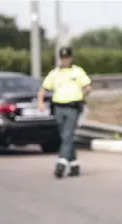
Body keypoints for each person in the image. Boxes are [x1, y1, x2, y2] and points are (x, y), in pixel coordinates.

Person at [37, 46, 92, 178]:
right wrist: (40, 102)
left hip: (73, 107)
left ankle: (60, 164)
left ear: (71, 58)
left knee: (67, 135)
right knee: (65, 137)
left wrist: (82, 95)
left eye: (67, 58)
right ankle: (74, 165)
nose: (65, 61)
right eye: (63, 58)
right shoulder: (55, 73)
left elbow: (88, 87)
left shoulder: (77, 71)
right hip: (59, 107)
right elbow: (43, 89)